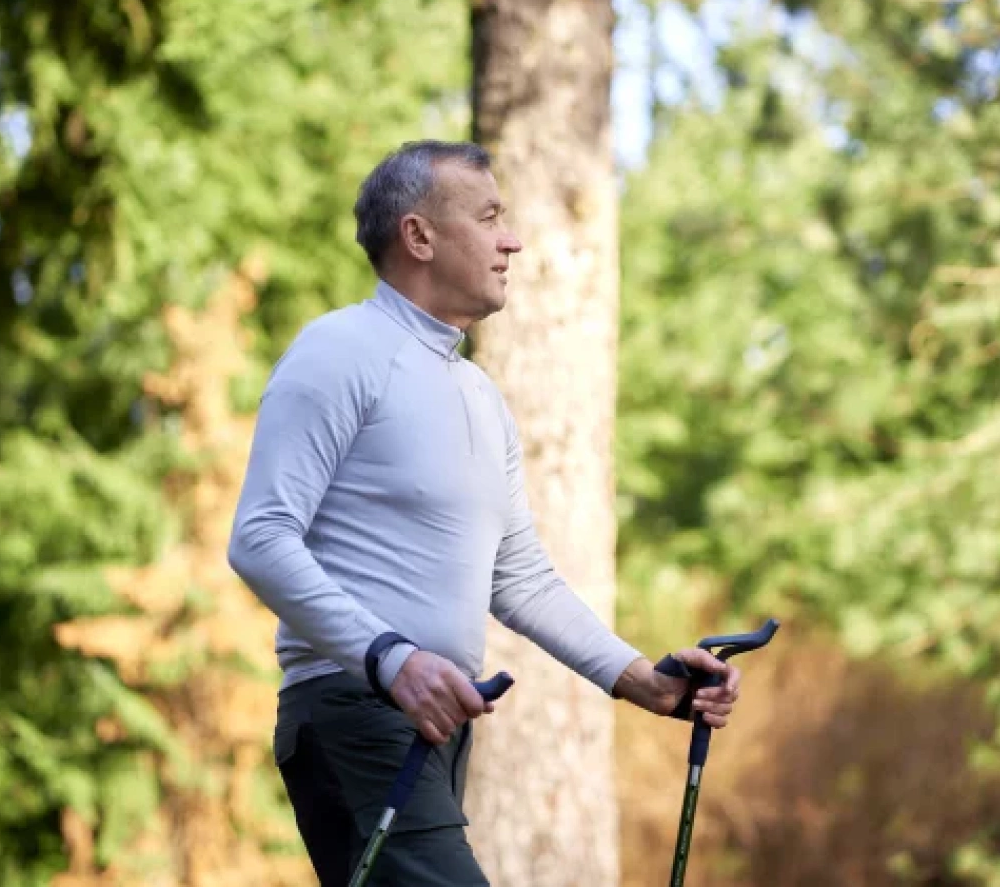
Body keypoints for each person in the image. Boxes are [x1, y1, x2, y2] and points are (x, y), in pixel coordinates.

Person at [227, 139, 742, 886]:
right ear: (420, 236)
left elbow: (520, 577)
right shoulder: (338, 351)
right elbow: (259, 538)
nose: (514, 238)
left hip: (433, 726)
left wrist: (643, 680)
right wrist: (390, 660)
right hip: (354, 712)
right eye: (490, 216)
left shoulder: (478, 395)